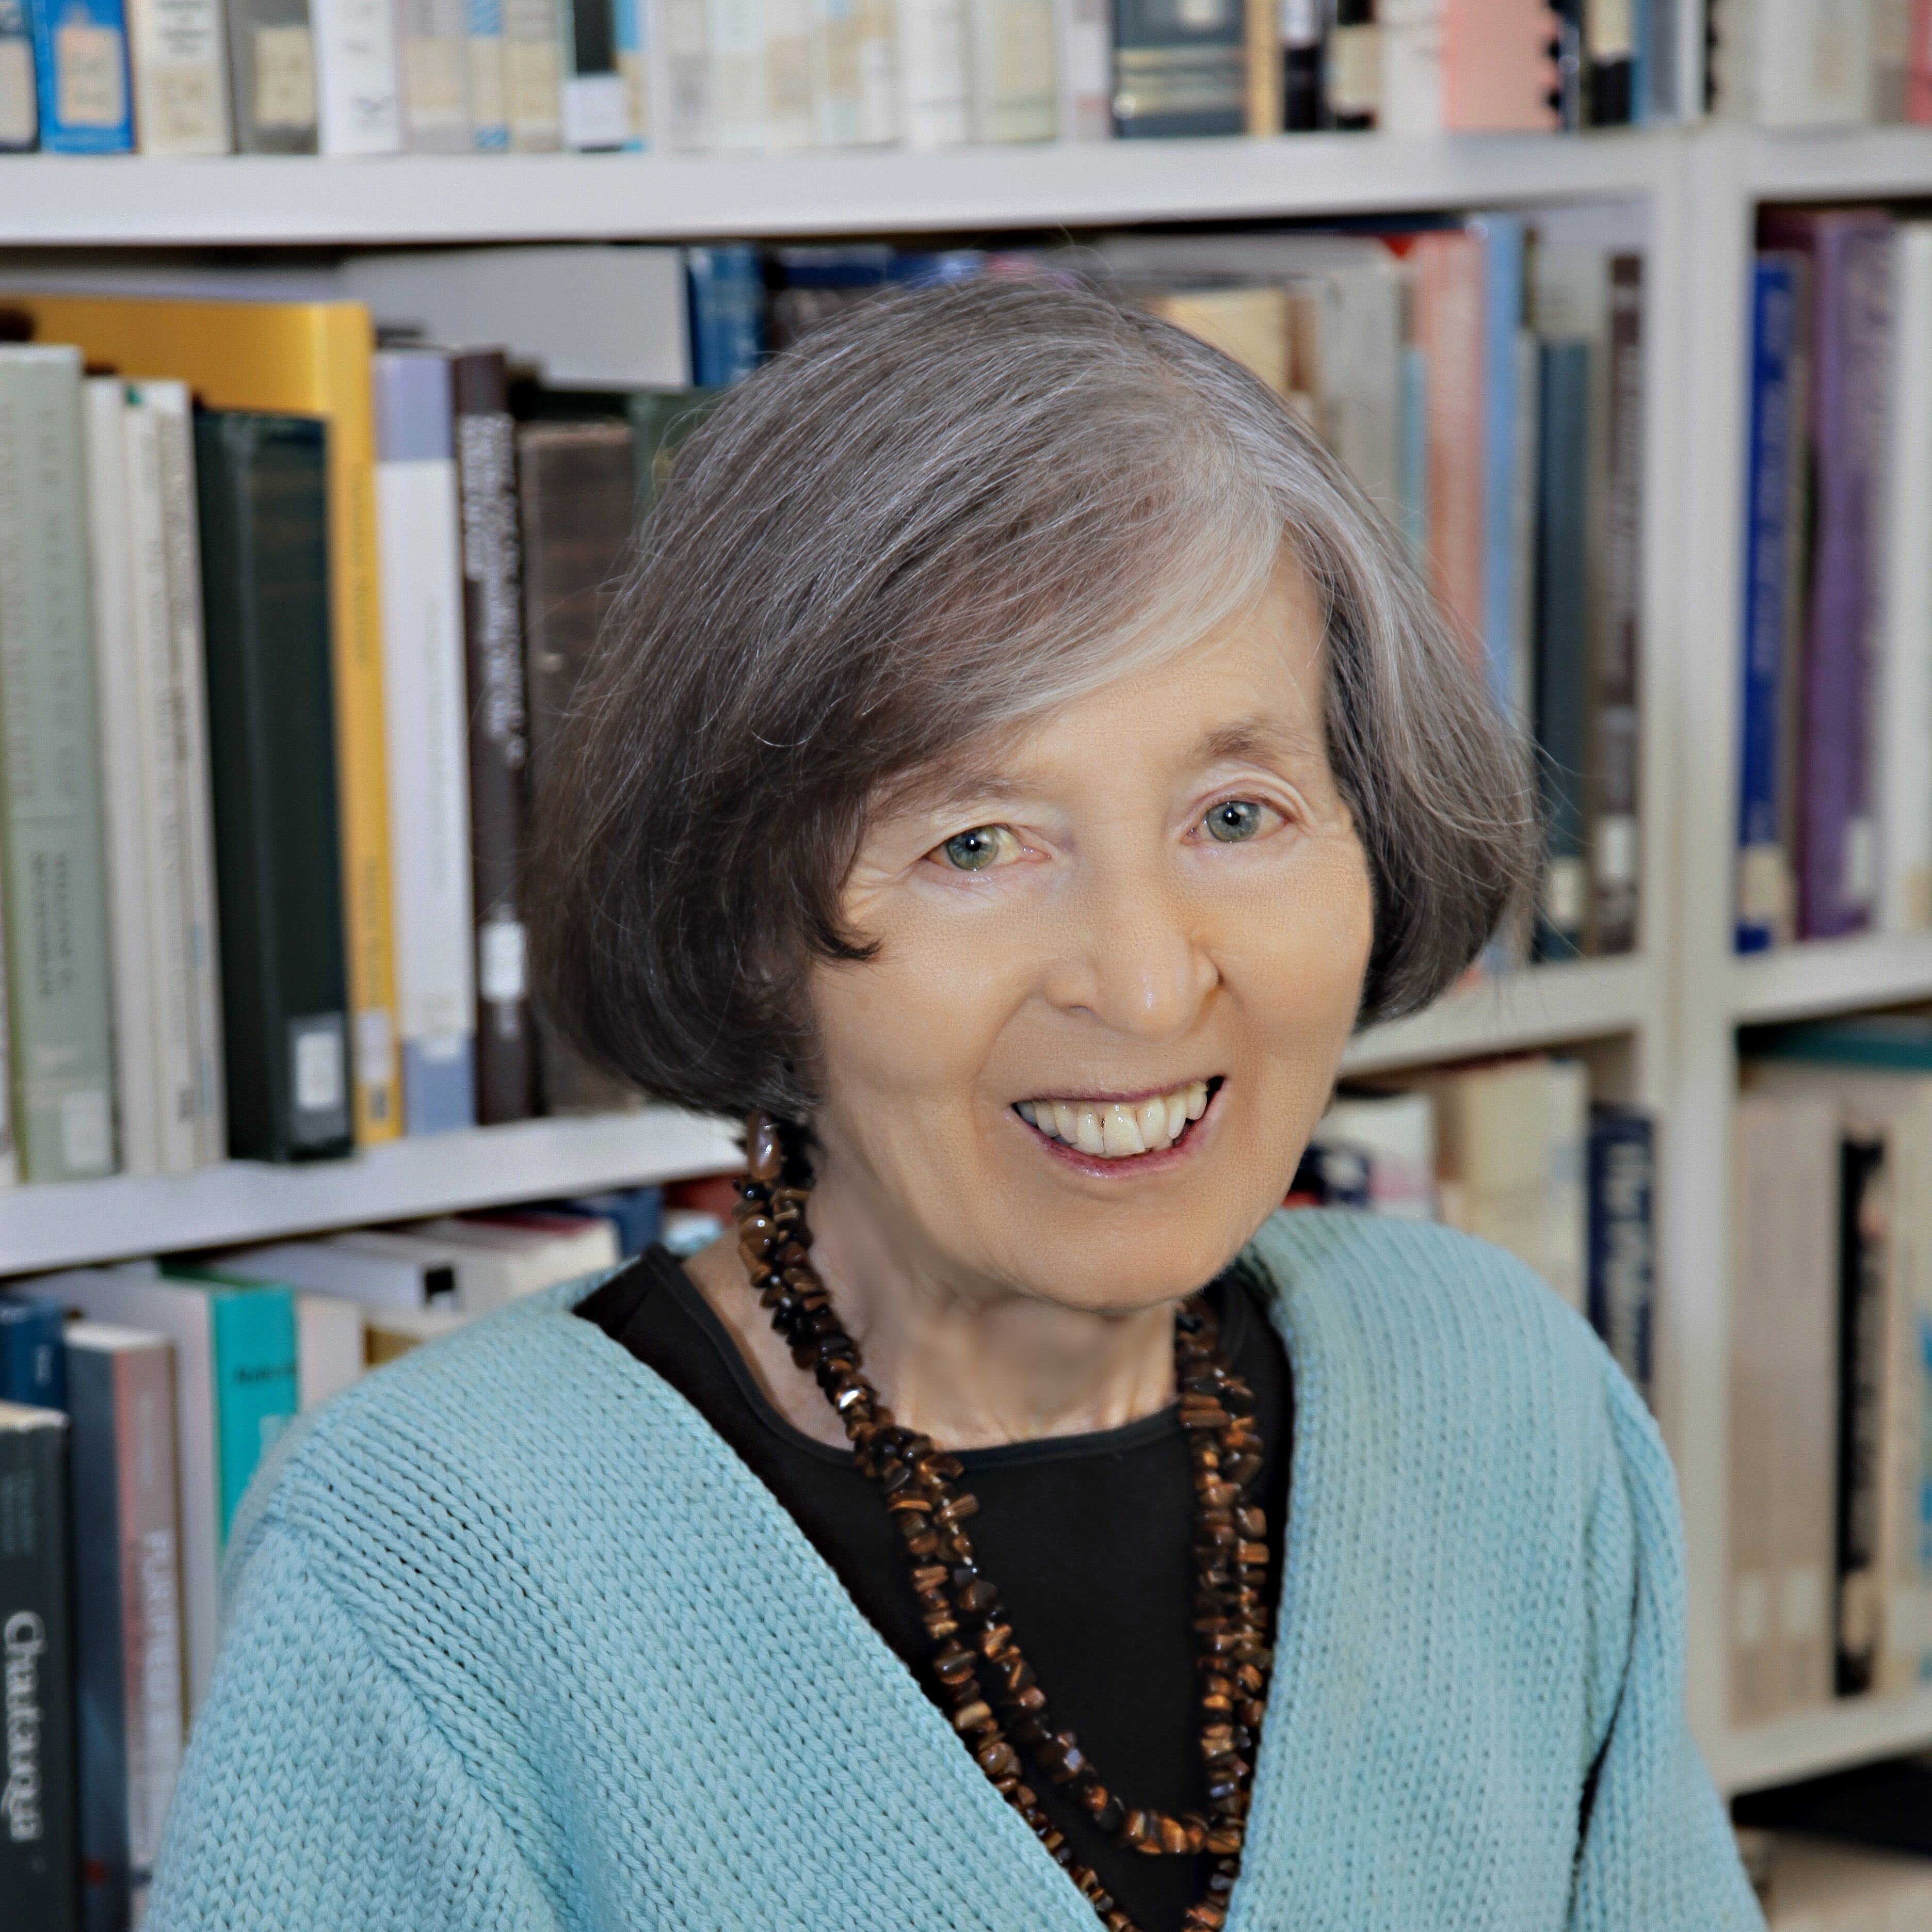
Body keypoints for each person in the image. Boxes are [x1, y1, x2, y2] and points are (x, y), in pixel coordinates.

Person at [148, 281, 1759, 1931]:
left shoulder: (1500, 1399)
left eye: (1238, 811)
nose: (1143, 986)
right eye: (976, 844)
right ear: (753, 922)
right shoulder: (441, 1553)